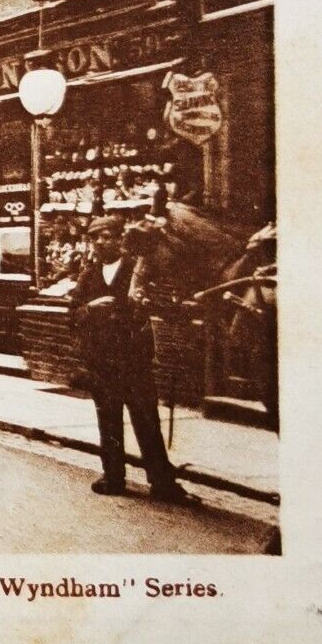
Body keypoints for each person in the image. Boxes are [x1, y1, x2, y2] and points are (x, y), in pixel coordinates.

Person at [68, 215, 186, 501]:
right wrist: (90, 308)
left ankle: (162, 483)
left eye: (106, 236)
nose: (100, 241)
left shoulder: (137, 270)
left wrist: (146, 304)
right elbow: (72, 314)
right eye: (95, 237)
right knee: (108, 422)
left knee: (146, 421)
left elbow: (161, 302)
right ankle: (113, 477)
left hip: (134, 360)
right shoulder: (89, 274)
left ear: (121, 239)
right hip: (102, 363)